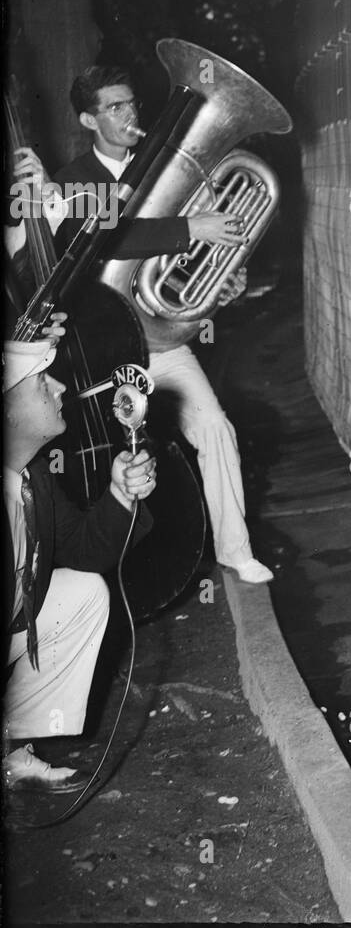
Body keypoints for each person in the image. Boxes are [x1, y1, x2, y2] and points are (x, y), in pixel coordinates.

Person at [51, 64, 273, 584]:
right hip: (102, 354)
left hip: (159, 341)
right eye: (114, 107)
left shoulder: (165, 169)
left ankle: (235, 551)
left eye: (131, 103)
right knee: (121, 460)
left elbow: (187, 262)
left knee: (215, 427)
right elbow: (98, 239)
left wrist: (219, 285)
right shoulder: (71, 183)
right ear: (88, 119)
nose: (130, 115)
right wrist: (190, 226)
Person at [3, 336, 156, 792]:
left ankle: (10, 748)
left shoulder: (33, 474)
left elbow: (85, 550)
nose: (61, 387)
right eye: (42, 382)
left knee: (83, 593)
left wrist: (120, 493)